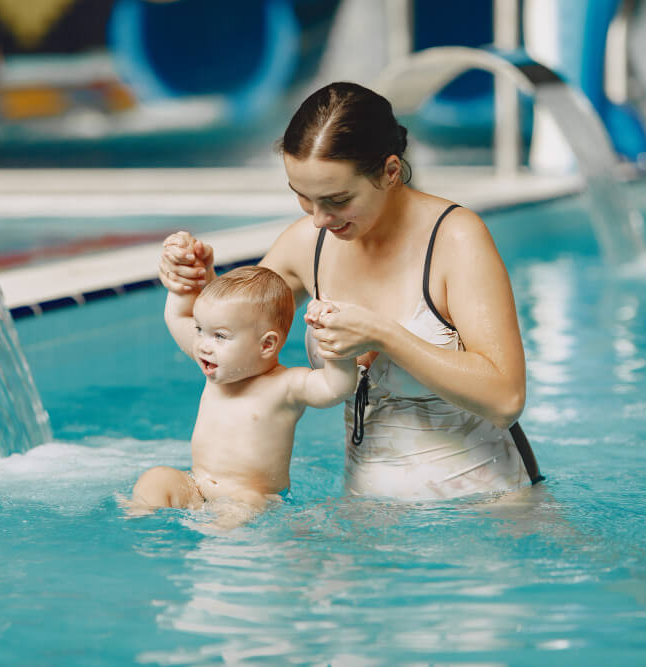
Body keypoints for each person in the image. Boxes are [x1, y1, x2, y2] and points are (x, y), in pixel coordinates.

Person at [158, 81, 544, 501]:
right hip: (366, 516)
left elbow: (506, 397)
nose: (320, 218)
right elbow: (234, 350)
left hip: (486, 508)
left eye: (337, 199)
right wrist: (198, 284)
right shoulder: (309, 243)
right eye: (303, 197)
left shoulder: (455, 240)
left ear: (390, 171)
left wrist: (385, 335)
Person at [131, 262, 359, 521]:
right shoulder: (218, 371)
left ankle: (218, 537)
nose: (203, 345)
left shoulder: (286, 385)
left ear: (267, 345)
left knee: (245, 502)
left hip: (254, 496)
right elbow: (177, 318)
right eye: (199, 330)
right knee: (156, 479)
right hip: (196, 486)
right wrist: (179, 289)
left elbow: (336, 387)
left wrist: (334, 338)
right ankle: (142, 519)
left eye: (219, 336)